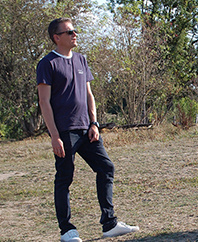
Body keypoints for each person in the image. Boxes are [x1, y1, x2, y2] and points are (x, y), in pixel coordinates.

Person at [36, 18, 139, 242]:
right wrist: (54, 136)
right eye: (69, 31)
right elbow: (44, 103)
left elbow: (89, 95)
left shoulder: (82, 60)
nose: (75, 34)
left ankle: (110, 224)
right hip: (64, 131)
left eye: (75, 30)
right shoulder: (47, 64)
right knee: (65, 177)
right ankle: (67, 231)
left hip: (87, 129)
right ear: (57, 37)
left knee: (106, 168)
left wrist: (95, 123)